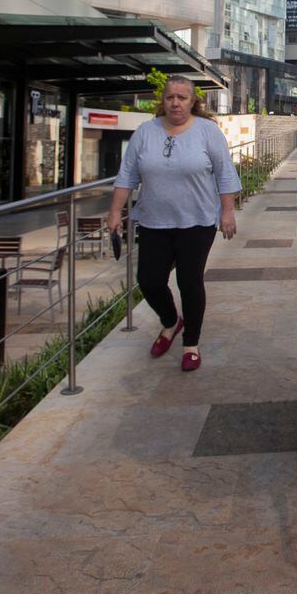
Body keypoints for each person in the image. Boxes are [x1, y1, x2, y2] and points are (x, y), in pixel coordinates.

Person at [109, 75, 240, 373]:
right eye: (170, 97)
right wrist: (115, 212)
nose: (176, 103)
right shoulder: (146, 132)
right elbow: (127, 175)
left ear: (193, 101)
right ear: (163, 101)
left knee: (189, 281)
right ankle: (171, 322)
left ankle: (190, 343)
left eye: (182, 97)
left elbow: (225, 175)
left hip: (197, 221)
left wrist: (227, 212)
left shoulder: (208, 131)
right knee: (149, 280)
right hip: (154, 221)